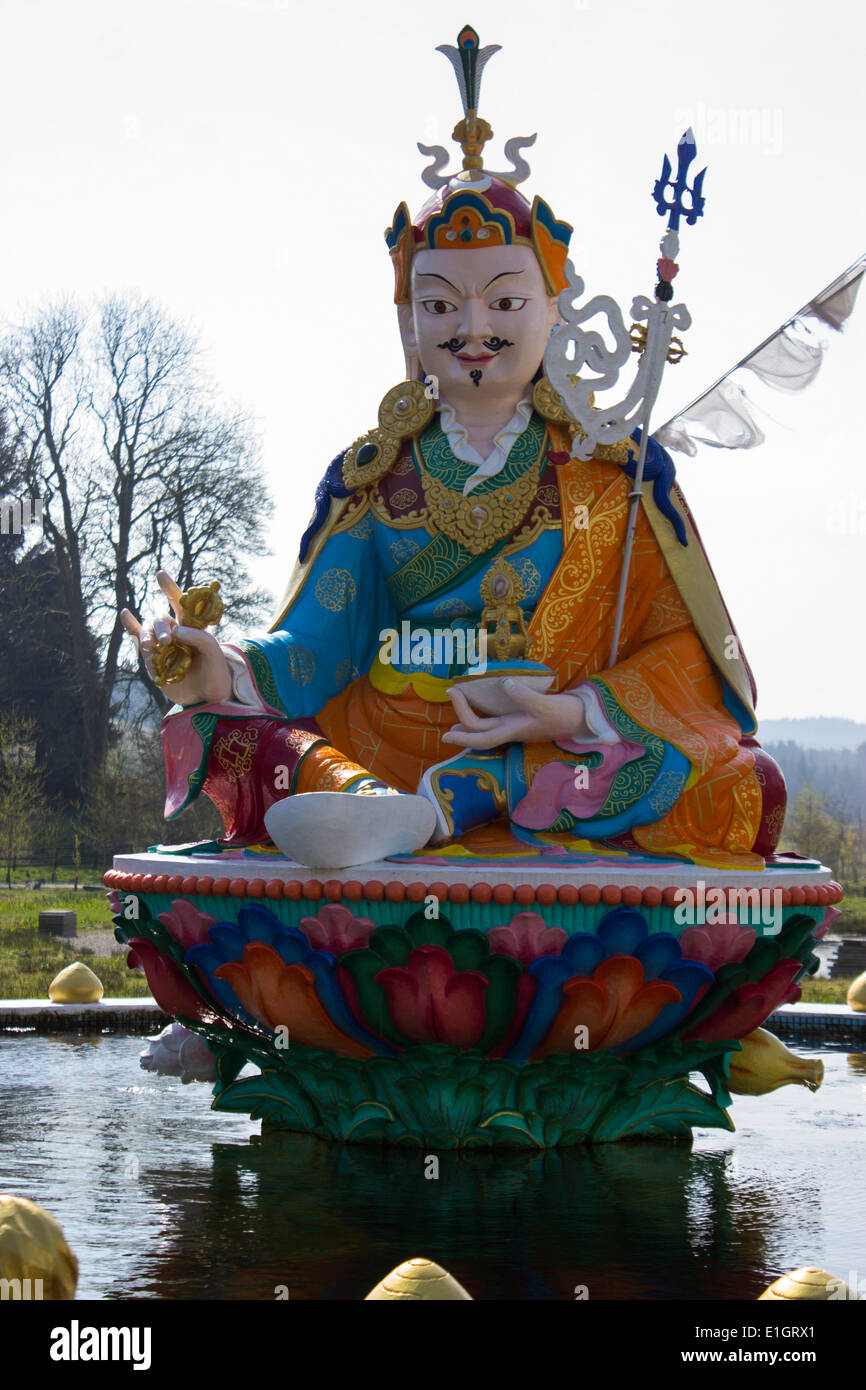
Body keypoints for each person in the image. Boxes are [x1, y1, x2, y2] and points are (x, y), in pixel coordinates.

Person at [121, 28, 784, 872]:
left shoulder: (607, 475)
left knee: (742, 784)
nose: (472, 330)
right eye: (439, 307)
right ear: (410, 323)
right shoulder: (374, 475)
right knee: (230, 730)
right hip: (381, 756)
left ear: (555, 307)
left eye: (505, 301)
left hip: (551, 753)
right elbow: (317, 646)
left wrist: (575, 713)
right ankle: (378, 807)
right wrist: (219, 666)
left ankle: (473, 797)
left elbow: (694, 659)